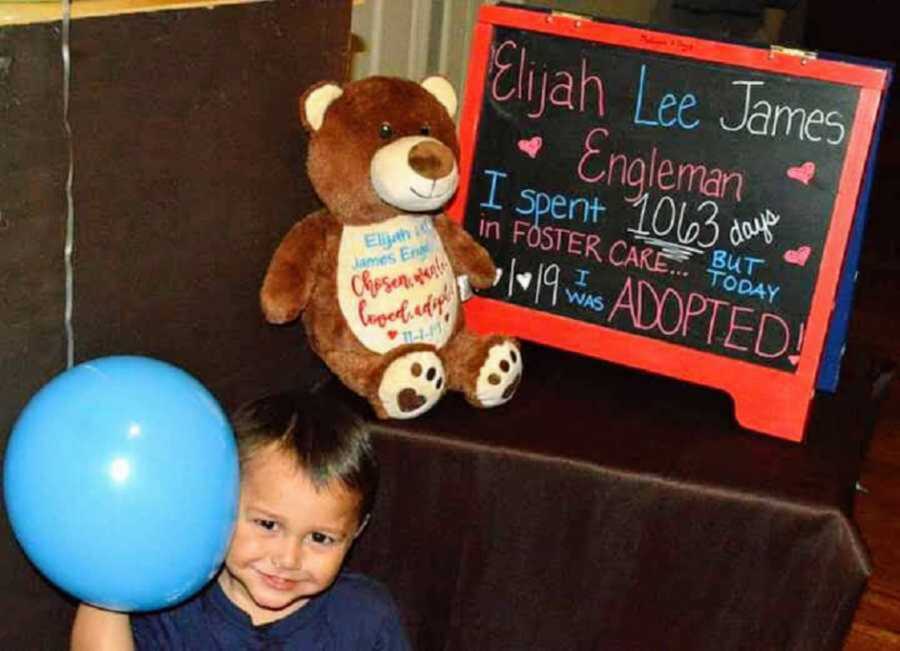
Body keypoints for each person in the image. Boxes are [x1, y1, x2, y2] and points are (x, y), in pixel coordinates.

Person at [71, 384, 411, 650]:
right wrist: (109, 583)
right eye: (268, 524)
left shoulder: (365, 617)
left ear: (356, 531)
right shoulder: (170, 605)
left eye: (320, 538)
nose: (287, 558)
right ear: (222, 500)